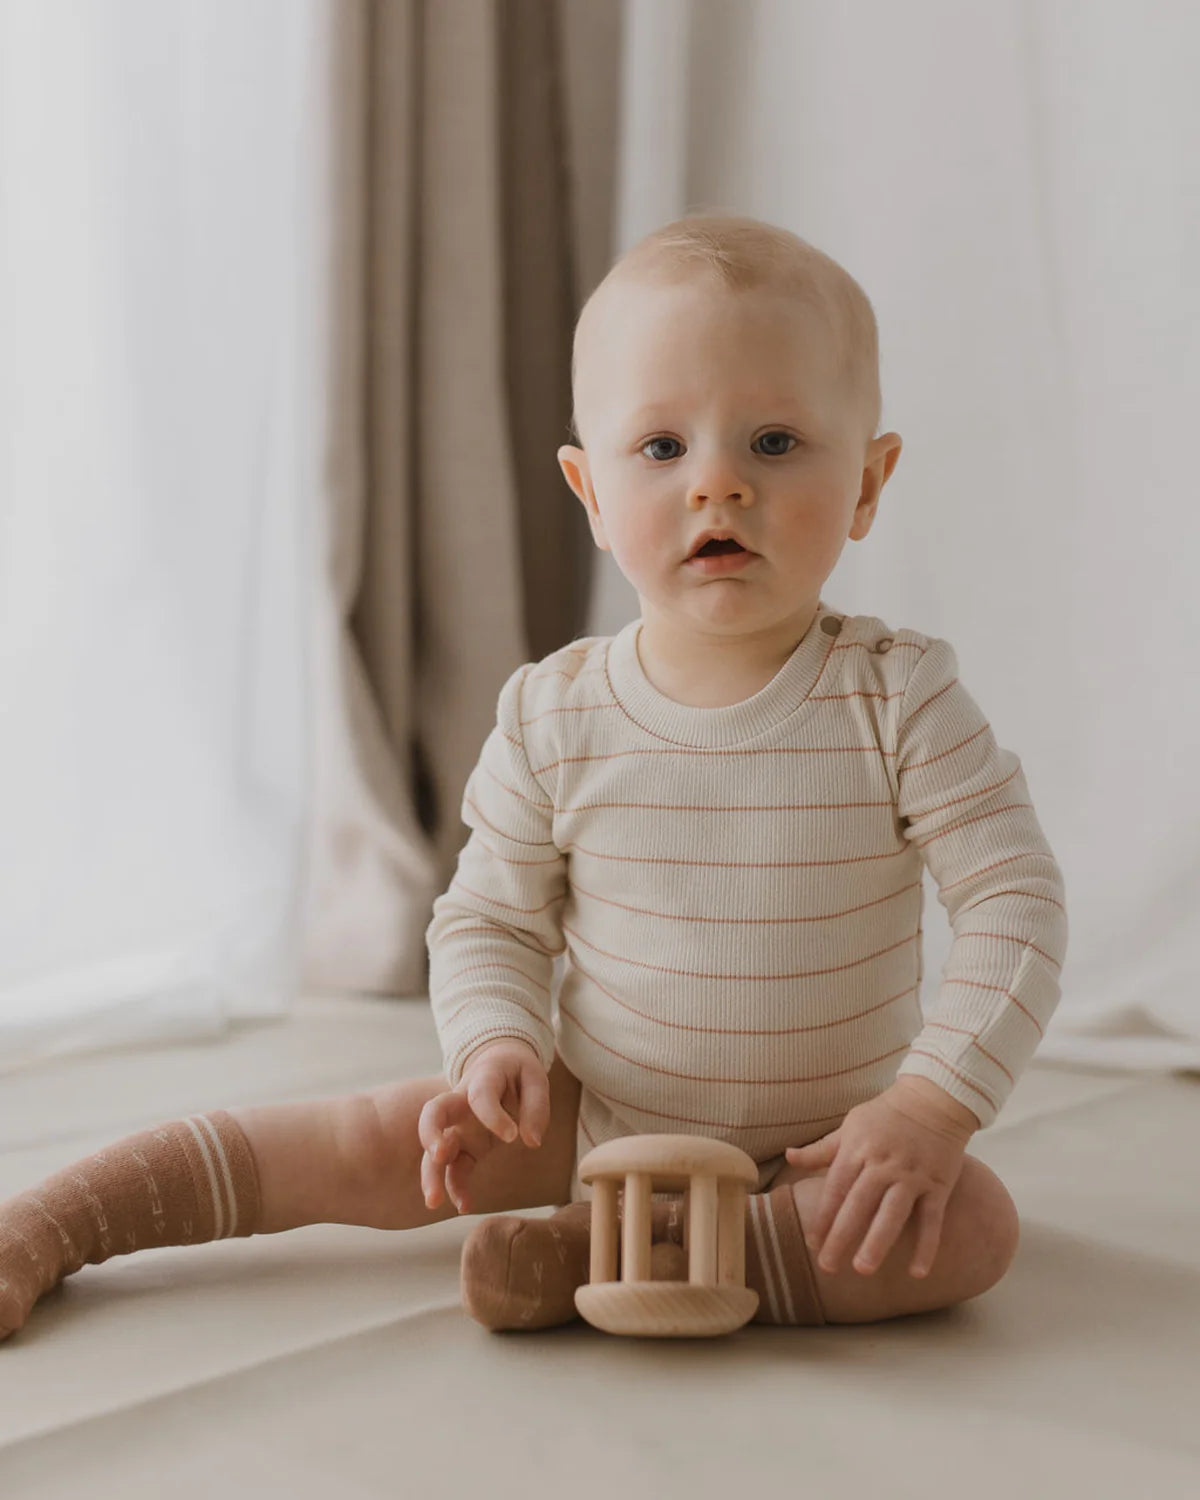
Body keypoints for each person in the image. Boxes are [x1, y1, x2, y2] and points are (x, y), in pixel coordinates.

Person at [0, 213, 1067, 1341]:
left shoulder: (899, 697)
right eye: (662, 449)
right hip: (597, 1123)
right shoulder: (555, 714)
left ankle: (591, 1256)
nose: (719, 486)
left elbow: (1015, 901)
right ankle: (58, 1220)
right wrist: (496, 1042)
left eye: (774, 443)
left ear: (868, 480)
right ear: (591, 493)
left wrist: (929, 1107)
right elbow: (489, 921)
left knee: (972, 1229)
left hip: (830, 1149)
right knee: (375, 1136)